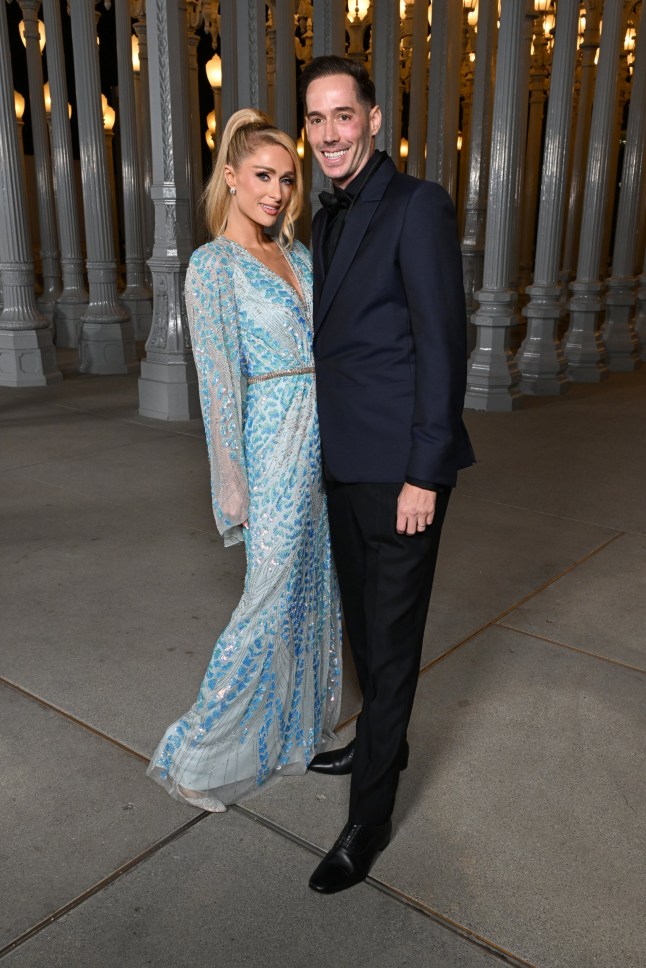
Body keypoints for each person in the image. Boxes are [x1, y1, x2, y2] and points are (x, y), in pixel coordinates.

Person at [300, 56, 475, 893]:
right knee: (366, 629)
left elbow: (446, 347)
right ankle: (384, 741)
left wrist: (424, 473)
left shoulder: (417, 206)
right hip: (343, 464)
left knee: (395, 645)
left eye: (343, 116)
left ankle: (368, 819)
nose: (329, 134)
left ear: (373, 119)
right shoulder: (323, 218)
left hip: (404, 472)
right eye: (315, 119)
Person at [147, 109, 341, 813]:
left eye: (287, 180)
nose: (277, 192)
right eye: (263, 176)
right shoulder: (212, 267)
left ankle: (291, 736)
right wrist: (231, 478)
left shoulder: (298, 257)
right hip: (271, 439)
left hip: (323, 440)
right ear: (229, 175)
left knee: (312, 588)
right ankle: (198, 756)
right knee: (267, 595)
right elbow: (220, 382)